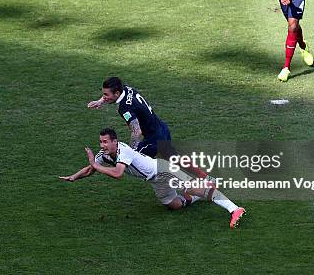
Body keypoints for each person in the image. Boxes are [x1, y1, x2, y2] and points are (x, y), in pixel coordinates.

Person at [59, 128, 246, 229]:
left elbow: (117, 174)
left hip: (162, 170)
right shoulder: (105, 155)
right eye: (101, 142)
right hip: (154, 180)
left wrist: (95, 164)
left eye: (105, 141)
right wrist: (74, 177)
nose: (103, 145)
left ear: (115, 141)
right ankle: (206, 190)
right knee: (174, 205)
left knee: (195, 188)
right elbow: (91, 168)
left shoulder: (123, 151)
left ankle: (234, 209)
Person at [87, 77, 170, 158]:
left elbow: (137, 131)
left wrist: (129, 152)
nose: (104, 97)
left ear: (117, 94)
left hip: (154, 141)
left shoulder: (124, 108)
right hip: (163, 129)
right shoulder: (127, 89)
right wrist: (100, 101)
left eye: (106, 94)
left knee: (131, 163)